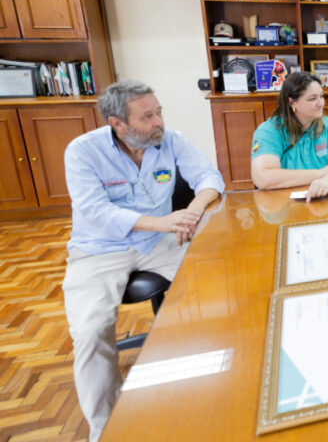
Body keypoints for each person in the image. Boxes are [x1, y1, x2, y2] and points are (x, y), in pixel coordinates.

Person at [63, 80, 224, 441]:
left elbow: (210, 178)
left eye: (159, 112)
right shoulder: (82, 151)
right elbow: (94, 210)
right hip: (99, 249)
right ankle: (103, 430)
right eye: (147, 116)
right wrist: (163, 221)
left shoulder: (172, 140)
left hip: (162, 242)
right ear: (117, 123)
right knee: (90, 333)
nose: (158, 123)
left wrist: (192, 211)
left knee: (217, 286)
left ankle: (212, 390)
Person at [251, 72, 328, 198]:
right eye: (312, 99)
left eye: (321, 96)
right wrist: (321, 173)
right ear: (292, 103)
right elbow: (263, 178)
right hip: (282, 203)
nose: (321, 103)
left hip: (323, 199)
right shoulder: (269, 131)